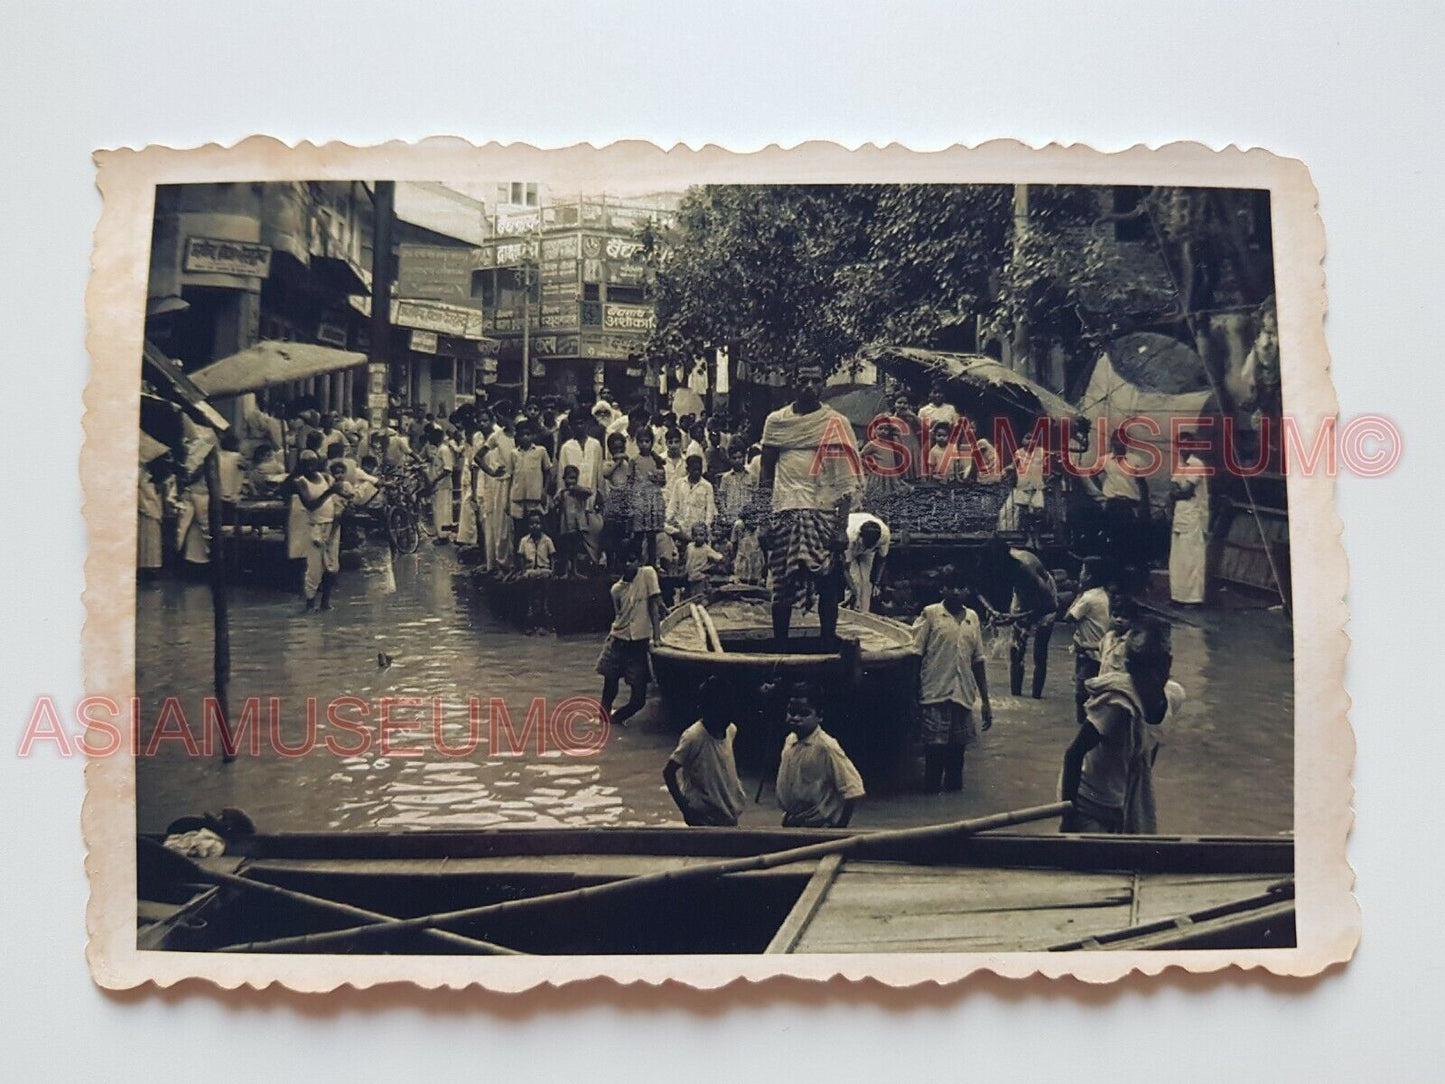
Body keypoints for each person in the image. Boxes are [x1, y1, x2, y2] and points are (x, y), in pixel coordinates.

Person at [758, 361, 862, 647]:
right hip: (786, 512)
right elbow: (765, 473)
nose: (809, 387)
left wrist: (841, 527)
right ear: (794, 382)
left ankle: (828, 640)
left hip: (824, 513)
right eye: (804, 380)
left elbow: (845, 480)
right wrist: (762, 519)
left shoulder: (835, 423)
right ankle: (781, 645)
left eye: (815, 381)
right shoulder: (776, 421)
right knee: (782, 585)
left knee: (828, 583)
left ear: (823, 384)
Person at [1060, 618, 1185, 834]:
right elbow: (1073, 754)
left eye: (1157, 668)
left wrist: (1131, 798)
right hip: (1087, 800)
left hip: (1121, 801)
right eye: (1142, 671)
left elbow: (1149, 749)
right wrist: (1068, 817)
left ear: (1168, 663)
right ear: (1129, 668)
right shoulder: (1117, 705)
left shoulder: (1173, 697)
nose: (1152, 679)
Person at [912, 581, 993, 792]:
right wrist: (913, 695)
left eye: (962, 587)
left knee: (957, 759)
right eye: (951, 586)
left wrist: (985, 701)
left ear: (968, 590)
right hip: (934, 694)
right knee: (934, 756)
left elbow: (978, 660)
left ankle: (952, 809)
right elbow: (916, 655)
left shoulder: (972, 618)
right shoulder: (930, 614)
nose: (957, 591)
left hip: (962, 696)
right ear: (942, 589)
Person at [774, 684, 866, 828]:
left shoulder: (826, 746)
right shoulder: (790, 740)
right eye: (792, 712)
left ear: (820, 716)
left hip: (817, 823)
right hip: (792, 820)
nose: (796, 718)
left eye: (804, 713)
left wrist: (838, 828)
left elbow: (852, 788)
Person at [980, 537, 1059, 699]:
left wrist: (1015, 617)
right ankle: (1016, 697)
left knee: (1039, 653)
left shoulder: (1025, 568)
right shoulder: (996, 563)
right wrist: (992, 610)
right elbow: (980, 590)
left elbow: (1050, 606)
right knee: (1015, 651)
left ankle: (1037, 698)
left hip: (1044, 599)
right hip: (1022, 596)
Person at [663, 678, 747, 826]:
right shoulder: (693, 737)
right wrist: (685, 809)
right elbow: (669, 772)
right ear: (705, 711)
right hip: (704, 816)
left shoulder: (730, 730)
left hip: (729, 810)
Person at [596, 544, 663, 727]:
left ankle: (615, 720)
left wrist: (657, 637)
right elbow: (619, 615)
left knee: (639, 699)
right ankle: (604, 724)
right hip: (618, 641)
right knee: (609, 687)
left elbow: (654, 606)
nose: (627, 564)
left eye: (631, 560)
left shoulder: (648, 574)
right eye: (624, 561)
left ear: (639, 561)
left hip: (638, 644)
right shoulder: (616, 589)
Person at [1063, 557, 1112, 727]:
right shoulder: (1103, 594)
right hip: (1100, 651)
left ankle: (1083, 726)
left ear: (1089, 577)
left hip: (1089, 652)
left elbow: (1068, 617)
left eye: (1083, 571)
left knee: (1081, 693)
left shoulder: (1088, 598)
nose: (1080, 574)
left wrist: (1078, 593)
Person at [1168, 432, 1210, 605]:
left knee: (1192, 559)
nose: (1184, 447)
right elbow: (1173, 489)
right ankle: (1177, 596)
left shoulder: (1196, 464)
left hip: (1193, 517)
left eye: (1188, 444)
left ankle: (1193, 599)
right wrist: (1176, 493)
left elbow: (1186, 491)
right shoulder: (1180, 465)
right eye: (1181, 444)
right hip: (1180, 516)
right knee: (1178, 559)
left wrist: (1177, 492)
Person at [505, 421, 553, 546]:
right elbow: (510, 477)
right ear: (518, 437)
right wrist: (507, 501)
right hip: (518, 499)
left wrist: (544, 491)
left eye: (528, 434)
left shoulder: (540, 451)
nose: (525, 437)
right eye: (522, 435)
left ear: (532, 436)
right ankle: (519, 562)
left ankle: (537, 561)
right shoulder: (513, 454)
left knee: (536, 530)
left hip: (535, 499)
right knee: (518, 533)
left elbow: (548, 472)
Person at [629, 427, 668, 566]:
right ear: (637, 443)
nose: (644, 444)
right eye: (641, 441)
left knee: (652, 535)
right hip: (639, 499)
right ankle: (638, 562)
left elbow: (663, 481)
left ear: (652, 442)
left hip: (653, 498)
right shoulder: (634, 460)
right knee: (639, 534)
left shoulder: (656, 460)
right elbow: (630, 481)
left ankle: (652, 562)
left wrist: (656, 478)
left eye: (647, 441)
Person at [516, 510, 556, 634]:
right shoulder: (524, 541)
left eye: (538, 523)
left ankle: (545, 612)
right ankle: (530, 615)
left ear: (542, 525)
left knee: (545, 584)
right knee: (530, 584)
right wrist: (523, 572)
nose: (535, 526)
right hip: (531, 570)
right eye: (532, 523)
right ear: (528, 525)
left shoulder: (547, 540)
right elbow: (521, 557)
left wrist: (552, 571)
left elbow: (552, 557)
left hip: (544, 569)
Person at [842, 511, 890, 613]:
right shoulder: (850, 535)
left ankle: (864, 611)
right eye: (866, 544)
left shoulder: (884, 535)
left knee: (866, 582)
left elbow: (882, 560)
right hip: (853, 546)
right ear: (861, 536)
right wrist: (853, 590)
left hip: (868, 551)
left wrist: (877, 583)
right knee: (855, 581)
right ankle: (850, 609)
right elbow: (845, 568)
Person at [665, 454, 716, 547]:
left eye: (699, 469)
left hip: (698, 529)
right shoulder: (679, 483)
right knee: (665, 528)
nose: (697, 472)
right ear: (688, 469)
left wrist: (705, 528)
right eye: (694, 470)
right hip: (681, 526)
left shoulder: (707, 486)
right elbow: (672, 505)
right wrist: (668, 519)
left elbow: (710, 512)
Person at [555, 464, 593, 576]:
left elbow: (589, 492)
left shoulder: (580, 492)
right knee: (566, 549)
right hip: (566, 525)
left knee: (576, 549)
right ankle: (566, 571)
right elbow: (555, 504)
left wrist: (576, 489)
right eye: (569, 478)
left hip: (577, 525)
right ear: (564, 479)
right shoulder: (562, 492)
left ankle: (576, 570)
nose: (572, 481)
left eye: (574, 478)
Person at [423, 428, 456, 543]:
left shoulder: (444, 450)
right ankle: (441, 534)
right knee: (437, 510)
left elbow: (448, 469)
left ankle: (444, 536)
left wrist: (436, 480)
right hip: (437, 486)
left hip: (443, 485)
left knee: (443, 512)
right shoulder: (437, 450)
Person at [682, 522, 725, 598]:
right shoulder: (690, 546)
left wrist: (709, 567)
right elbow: (686, 559)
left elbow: (720, 558)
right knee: (688, 599)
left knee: (698, 599)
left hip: (700, 579)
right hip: (689, 578)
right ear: (692, 536)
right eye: (695, 535)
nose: (698, 537)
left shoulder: (706, 549)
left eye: (701, 535)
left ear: (705, 536)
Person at [716, 444, 756, 524]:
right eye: (734, 458)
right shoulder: (726, 478)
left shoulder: (752, 476)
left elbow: (755, 497)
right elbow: (721, 498)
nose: (737, 460)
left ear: (744, 458)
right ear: (730, 459)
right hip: (731, 518)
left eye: (740, 457)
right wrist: (726, 513)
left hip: (747, 519)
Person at [137, 462, 165, 576]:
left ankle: (151, 566)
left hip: (151, 510)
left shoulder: (149, 475)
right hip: (147, 510)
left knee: (151, 540)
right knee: (147, 539)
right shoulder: (142, 474)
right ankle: (147, 566)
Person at [729, 507, 766, 585]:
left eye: (755, 518)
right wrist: (733, 558)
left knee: (755, 581)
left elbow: (764, 545)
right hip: (742, 557)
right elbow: (734, 543)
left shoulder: (759, 528)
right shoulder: (739, 526)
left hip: (756, 558)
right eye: (750, 519)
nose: (753, 521)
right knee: (741, 580)